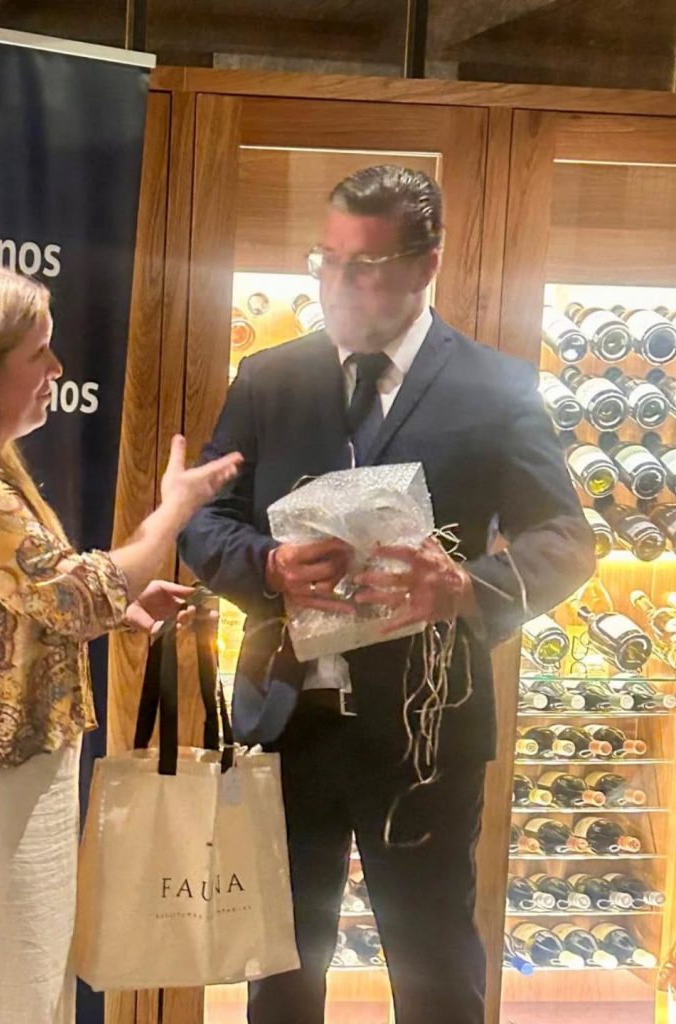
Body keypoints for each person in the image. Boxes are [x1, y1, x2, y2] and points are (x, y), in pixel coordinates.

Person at [179, 165, 595, 1024]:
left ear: (425, 263)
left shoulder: (496, 387)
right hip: (286, 721)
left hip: (427, 734)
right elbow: (201, 520)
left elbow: (565, 539)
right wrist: (265, 565)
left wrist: (468, 587)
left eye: (364, 265)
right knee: (279, 975)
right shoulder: (269, 377)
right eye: (326, 260)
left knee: (435, 972)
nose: (337, 284)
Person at [0, 265, 241, 1024]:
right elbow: (68, 597)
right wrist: (171, 515)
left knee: (10, 988)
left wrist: (124, 607)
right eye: (39, 353)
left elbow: (18, 597)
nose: (57, 369)